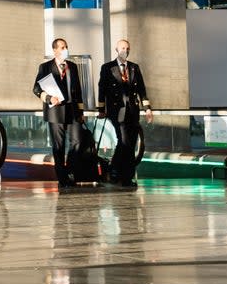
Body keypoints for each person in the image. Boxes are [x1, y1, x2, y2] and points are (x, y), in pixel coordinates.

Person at [97, 38, 150, 188]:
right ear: (116, 49)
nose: (125, 51)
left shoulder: (134, 67)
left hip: (132, 111)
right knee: (125, 140)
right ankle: (125, 177)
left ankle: (117, 171)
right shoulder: (107, 67)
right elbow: (102, 89)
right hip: (116, 111)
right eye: (122, 48)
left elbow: (141, 90)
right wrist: (101, 109)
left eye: (127, 48)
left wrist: (147, 108)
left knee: (130, 143)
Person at [33, 38, 85, 189]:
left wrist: (81, 111)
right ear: (55, 50)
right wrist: (49, 98)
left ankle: (69, 170)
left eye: (66, 47)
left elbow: (78, 91)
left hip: (73, 110)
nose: (65, 49)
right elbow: (36, 89)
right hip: (55, 110)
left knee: (77, 141)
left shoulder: (73, 67)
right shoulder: (45, 67)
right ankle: (63, 178)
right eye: (62, 47)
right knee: (59, 145)